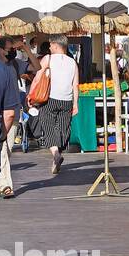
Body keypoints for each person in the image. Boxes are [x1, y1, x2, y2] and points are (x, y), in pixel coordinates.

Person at [42, 36, 80, 177]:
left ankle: (56, 154)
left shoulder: (48, 59)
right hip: (67, 100)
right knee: (64, 128)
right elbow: (75, 85)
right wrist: (75, 103)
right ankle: (56, 157)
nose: (50, 48)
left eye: (51, 45)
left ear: (56, 45)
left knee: (48, 125)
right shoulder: (73, 63)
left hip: (50, 98)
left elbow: (40, 77)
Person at [0, 39, 22, 197]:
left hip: (8, 118)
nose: (12, 51)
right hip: (3, 121)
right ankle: (5, 184)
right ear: (0, 50)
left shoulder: (14, 65)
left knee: (6, 151)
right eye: (9, 49)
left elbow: (37, 68)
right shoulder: (4, 72)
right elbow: (9, 113)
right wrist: (2, 134)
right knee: (3, 150)